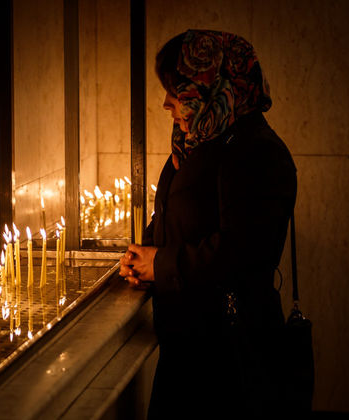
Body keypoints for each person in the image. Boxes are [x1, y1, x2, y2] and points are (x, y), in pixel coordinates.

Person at [119, 30, 297, 419]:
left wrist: (161, 264)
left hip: (229, 358)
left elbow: (243, 251)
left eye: (175, 89)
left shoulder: (257, 152)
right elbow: (176, 211)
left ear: (211, 83)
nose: (166, 102)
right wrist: (145, 256)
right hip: (188, 347)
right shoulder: (197, 141)